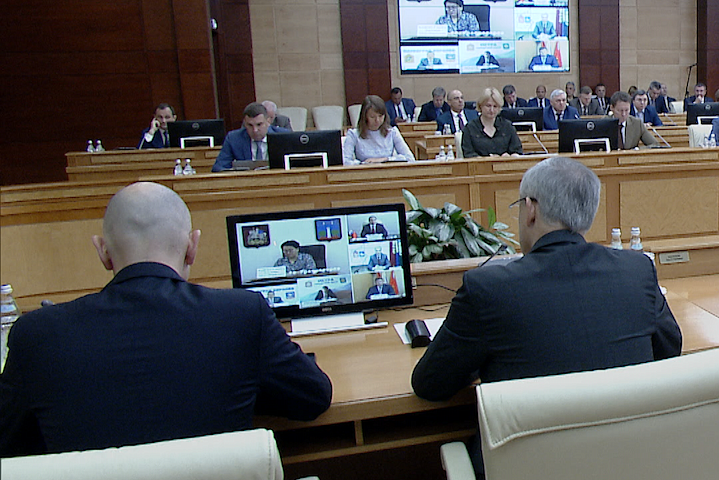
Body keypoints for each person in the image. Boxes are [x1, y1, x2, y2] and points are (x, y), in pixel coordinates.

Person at [0, 183, 332, 455]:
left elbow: (8, 441)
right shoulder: (242, 314)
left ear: (102, 251)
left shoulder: (37, 334)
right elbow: (313, 397)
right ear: (192, 246)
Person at [412, 155, 681, 400]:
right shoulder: (637, 271)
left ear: (530, 210)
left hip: (529, 440)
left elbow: (430, 384)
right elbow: (669, 349)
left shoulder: (487, 289)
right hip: (622, 437)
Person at [211, 102, 288, 171]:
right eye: (250, 125)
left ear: (268, 121)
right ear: (244, 123)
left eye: (259, 124)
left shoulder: (283, 136)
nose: (255, 130)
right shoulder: (233, 139)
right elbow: (218, 168)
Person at [343, 95, 414, 165]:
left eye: (380, 116)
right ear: (365, 117)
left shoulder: (392, 132)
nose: (377, 120)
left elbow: (409, 158)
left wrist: (385, 159)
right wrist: (364, 163)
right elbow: (345, 161)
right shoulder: (353, 134)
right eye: (372, 117)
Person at [461, 87, 522, 158]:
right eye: (488, 106)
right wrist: (486, 159)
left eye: (495, 106)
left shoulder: (507, 126)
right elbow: (468, 153)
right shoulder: (470, 128)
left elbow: (517, 150)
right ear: (480, 106)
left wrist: (510, 156)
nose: (492, 110)